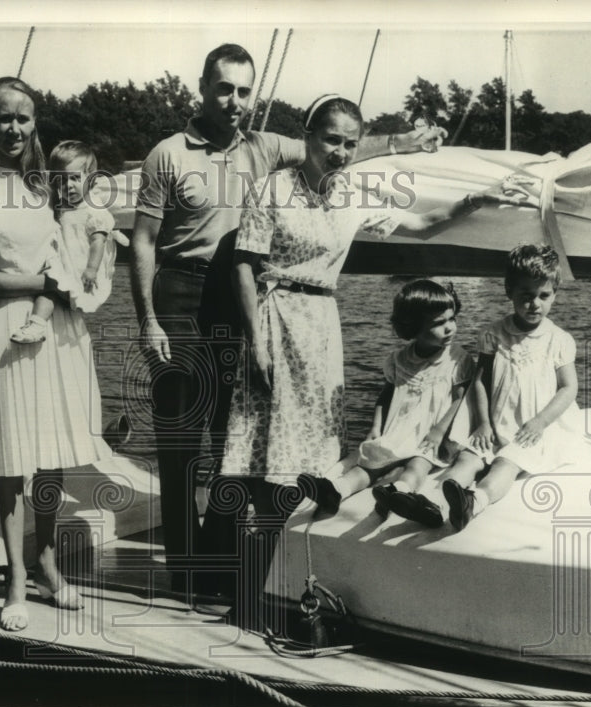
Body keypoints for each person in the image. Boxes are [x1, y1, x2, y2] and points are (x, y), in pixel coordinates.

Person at [130, 43, 446, 607]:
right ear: (202, 87)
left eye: (244, 91)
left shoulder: (264, 146)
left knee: (234, 437)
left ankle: (223, 567)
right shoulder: (168, 154)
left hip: (243, 300)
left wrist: (404, 142)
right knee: (182, 444)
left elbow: (336, 145)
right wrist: (148, 320)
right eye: (224, 89)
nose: (234, 101)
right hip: (183, 292)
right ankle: (185, 574)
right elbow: (144, 241)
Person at [222, 94, 527, 562]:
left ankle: (278, 562)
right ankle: (249, 568)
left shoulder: (352, 194)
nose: (340, 153)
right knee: (267, 455)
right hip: (275, 320)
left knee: (310, 448)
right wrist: (256, 345)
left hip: (322, 325)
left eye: (349, 143)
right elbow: (243, 267)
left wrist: (476, 200)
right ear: (308, 137)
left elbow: (423, 224)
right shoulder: (273, 188)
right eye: (330, 140)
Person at [0, 77, 111, 631]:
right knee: (11, 458)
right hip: (7, 325)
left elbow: (90, 235)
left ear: (35, 122)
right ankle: (16, 574)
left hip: (59, 327)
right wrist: (43, 279)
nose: (14, 128)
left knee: (51, 452)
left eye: (24, 118)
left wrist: (83, 273)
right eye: (3, 118)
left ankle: (47, 562)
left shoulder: (48, 185)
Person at [295, 280, 479, 528]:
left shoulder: (457, 359)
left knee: (419, 462)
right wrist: (375, 426)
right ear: (413, 327)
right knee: (372, 460)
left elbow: (460, 399)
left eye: (451, 319)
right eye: (438, 323)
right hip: (400, 428)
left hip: (432, 433)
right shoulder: (399, 359)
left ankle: (402, 491)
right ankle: (337, 490)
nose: (450, 328)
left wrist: (438, 432)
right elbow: (386, 395)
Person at [442, 244, 581, 531]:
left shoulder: (559, 339)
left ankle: (475, 501)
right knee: (470, 456)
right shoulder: (493, 333)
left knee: (508, 462)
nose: (535, 304)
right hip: (495, 418)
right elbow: (481, 379)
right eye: (526, 295)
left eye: (544, 296)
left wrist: (540, 422)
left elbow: (568, 388)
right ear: (509, 291)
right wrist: (482, 423)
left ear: (555, 293)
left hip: (533, 425)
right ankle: (438, 500)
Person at [11, 140, 124, 343]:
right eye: (61, 180)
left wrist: (91, 269)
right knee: (51, 287)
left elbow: (98, 241)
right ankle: (37, 324)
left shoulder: (94, 210)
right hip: (64, 258)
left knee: (53, 288)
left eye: (74, 178)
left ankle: (37, 324)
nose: (68, 186)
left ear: (91, 180)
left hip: (82, 265)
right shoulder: (62, 206)